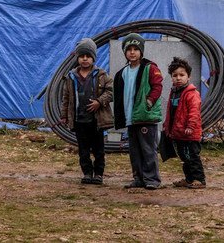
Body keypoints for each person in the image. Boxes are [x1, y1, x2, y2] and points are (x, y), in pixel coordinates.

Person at [60, 38, 114, 185]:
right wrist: (64, 115)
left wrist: (99, 101)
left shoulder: (101, 75)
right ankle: (87, 173)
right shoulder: (71, 76)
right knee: (83, 150)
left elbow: (111, 92)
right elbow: (66, 98)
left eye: (88, 56)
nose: (85, 59)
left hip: (96, 120)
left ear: (93, 58)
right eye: (82, 56)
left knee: (98, 149)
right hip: (79, 120)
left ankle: (98, 174)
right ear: (77, 58)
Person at [113, 33, 163, 190]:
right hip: (131, 118)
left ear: (141, 51)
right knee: (134, 151)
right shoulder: (122, 73)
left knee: (148, 149)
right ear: (125, 52)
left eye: (136, 49)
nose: (132, 52)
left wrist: (149, 101)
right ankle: (138, 178)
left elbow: (158, 86)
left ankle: (152, 179)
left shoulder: (150, 68)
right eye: (129, 49)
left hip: (145, 116)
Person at [163, 57, 206, 189]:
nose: (178, 78)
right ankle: (189, 179)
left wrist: (190, 126)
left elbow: (194, 112)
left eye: (182, 75)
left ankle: (199, 179)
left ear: (189, 76)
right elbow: (170, 112)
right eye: (175, 75)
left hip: (190, 133)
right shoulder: (174, 92)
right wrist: (167, 126)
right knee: (184, 158)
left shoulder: (191, 94)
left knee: (193, 156)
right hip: (179, 133)